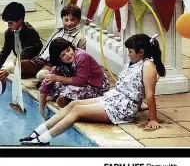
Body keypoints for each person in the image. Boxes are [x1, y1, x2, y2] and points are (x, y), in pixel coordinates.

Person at [20, 33, 165, 146]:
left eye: (130, 51)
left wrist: (153, 119)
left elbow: (150, 94)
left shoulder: (148, 66)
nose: (128, 53)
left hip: (122, 108)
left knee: (78, 111)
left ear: (141, 52)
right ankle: (36, 132)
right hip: (115, 98)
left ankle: (44, 139)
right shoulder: (136, 62)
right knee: (73, 104)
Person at [0, 4, 86, 82]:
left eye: (73, 20)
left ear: (78, 21)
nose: (69, 23)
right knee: (13, 66)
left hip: (55, 64)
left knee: (40, 75)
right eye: (66, 20)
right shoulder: (58, 31)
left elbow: (79, 59)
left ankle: (37, 73)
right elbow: (46, 47)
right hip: (41, 59)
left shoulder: (79, 38)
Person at [38, 37, 110, 120]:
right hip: (80, 83)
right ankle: (66, 99)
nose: (68, 55)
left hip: (97, 86)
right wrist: (41, 108)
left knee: (71, 88)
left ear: (71, 47)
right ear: (58, 59)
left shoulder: (82, 57)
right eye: (63, 55)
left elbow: (80, 81)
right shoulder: (59, 65)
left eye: (68, 50)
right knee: (55, 86)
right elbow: (45, 85)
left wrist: (58, 78)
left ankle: (67, 101)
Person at [0, 2, 43, 80]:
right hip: (19, 62)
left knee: (10, 69)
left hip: (32, 62)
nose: (8, 26)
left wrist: (13, 66)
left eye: (10, 23)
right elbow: (5, 52)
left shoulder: (30, 32)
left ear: (20, 20)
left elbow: (29, 52)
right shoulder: (9, 33)